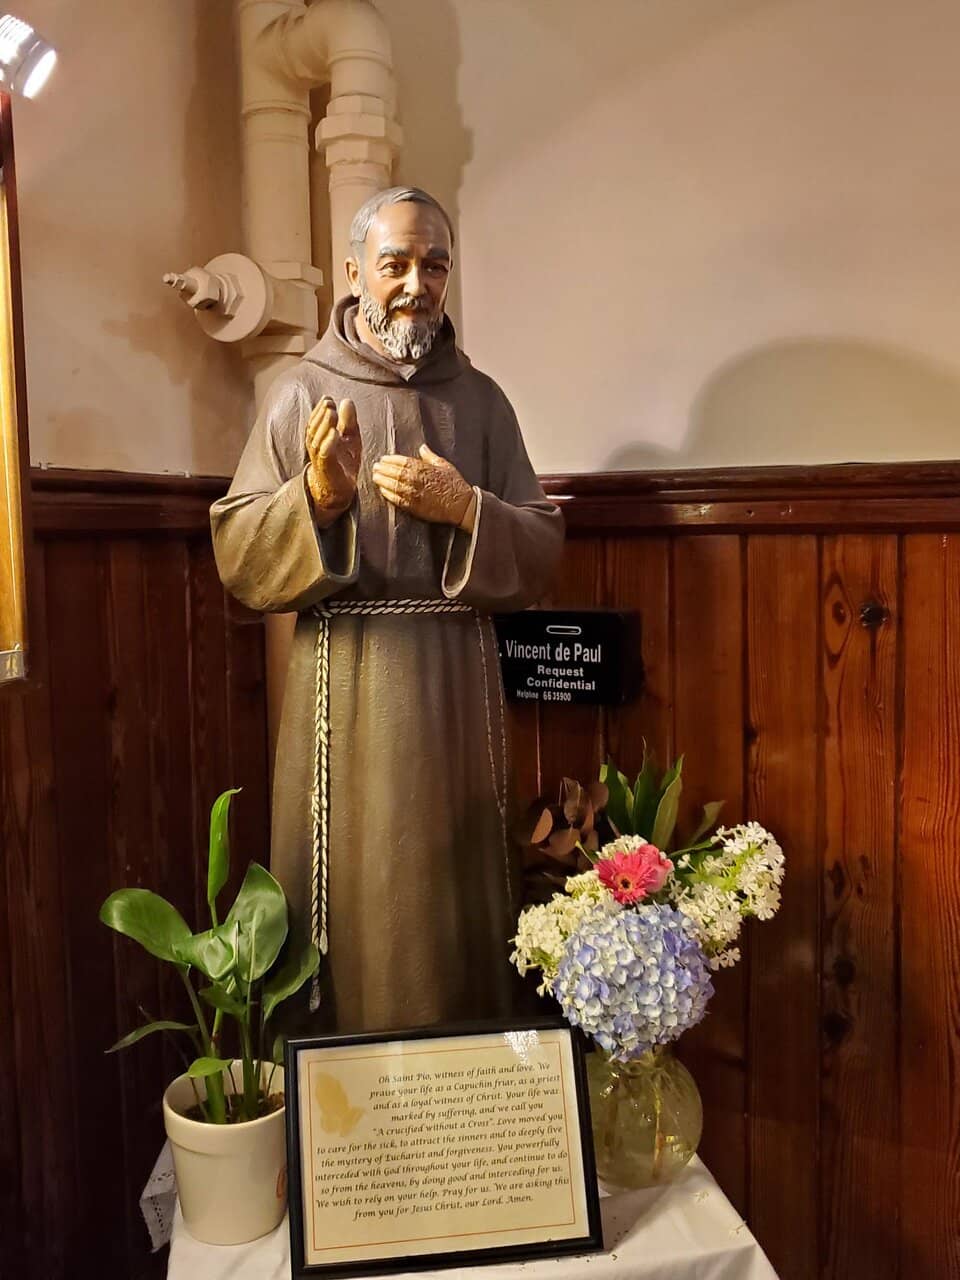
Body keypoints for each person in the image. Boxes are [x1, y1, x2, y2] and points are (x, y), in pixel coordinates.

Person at [210, 187, 564, 1033]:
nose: (415, 283)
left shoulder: (480, 401)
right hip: (347, 681)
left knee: (453, 902)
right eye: (396, 262)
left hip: (457, 688)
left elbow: (543, 543)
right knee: (359, 903)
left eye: (433, 263)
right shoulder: (303, 392)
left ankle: (460, 1105)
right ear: (354, 271)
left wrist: (469, 508)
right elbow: (238, 550)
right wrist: (319, 500)